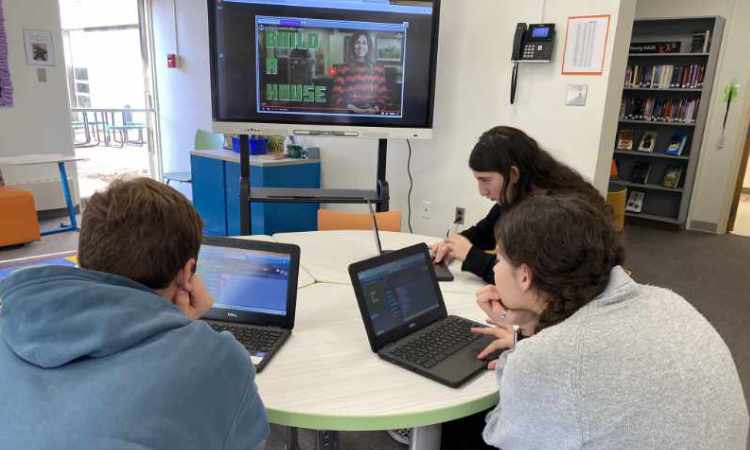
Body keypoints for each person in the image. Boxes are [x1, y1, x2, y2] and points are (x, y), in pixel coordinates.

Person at [452, 194, 748, 449]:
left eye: (501, 259)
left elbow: (500, 434)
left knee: (460, 433)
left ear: (525, 275)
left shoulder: (549, 357)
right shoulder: (665, 299)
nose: (496, 268)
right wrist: (530, 326)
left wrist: (523, 347)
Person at [0, 178, 269, 449]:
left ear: (83, 258)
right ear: (188, 273)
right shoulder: (216, 358)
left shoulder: (9, 325)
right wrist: (189, 335)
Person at [432, 126, 607, 283]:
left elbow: (525, 281)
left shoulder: (556, 214)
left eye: (485, 180)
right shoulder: (519, 193)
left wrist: (470, 256)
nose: (482, 191)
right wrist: (452, 245)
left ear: (513, 174)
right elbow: (485, 233)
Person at [332, 31, 388, 114]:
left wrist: (375, 109)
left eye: (364, 43)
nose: (360, 46)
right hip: (350, 114)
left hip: (373, 114)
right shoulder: (343, 69)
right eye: (357, 42)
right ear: (352, 46)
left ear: (369, 46)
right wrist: (356, 110)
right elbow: (336, 97)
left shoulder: (378, 69)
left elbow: (384, 96)